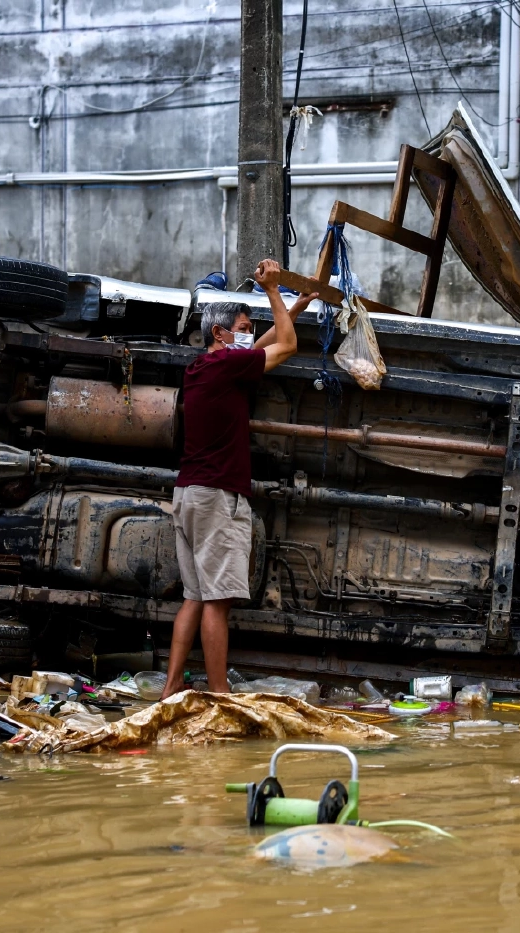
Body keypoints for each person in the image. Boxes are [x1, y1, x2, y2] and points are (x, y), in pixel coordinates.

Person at [161, 260, 318, 698]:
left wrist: (295, 305)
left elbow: (266, 344)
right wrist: (272, 291)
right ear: (220, 334)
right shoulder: (227, 368)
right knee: (217, 601)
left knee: (194, 597)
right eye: (243, 327)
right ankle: (219, 696)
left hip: (189, 494)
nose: (249, 333)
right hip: (216, 498)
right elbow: (285, 345)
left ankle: (171, 687)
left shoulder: (203, 368)